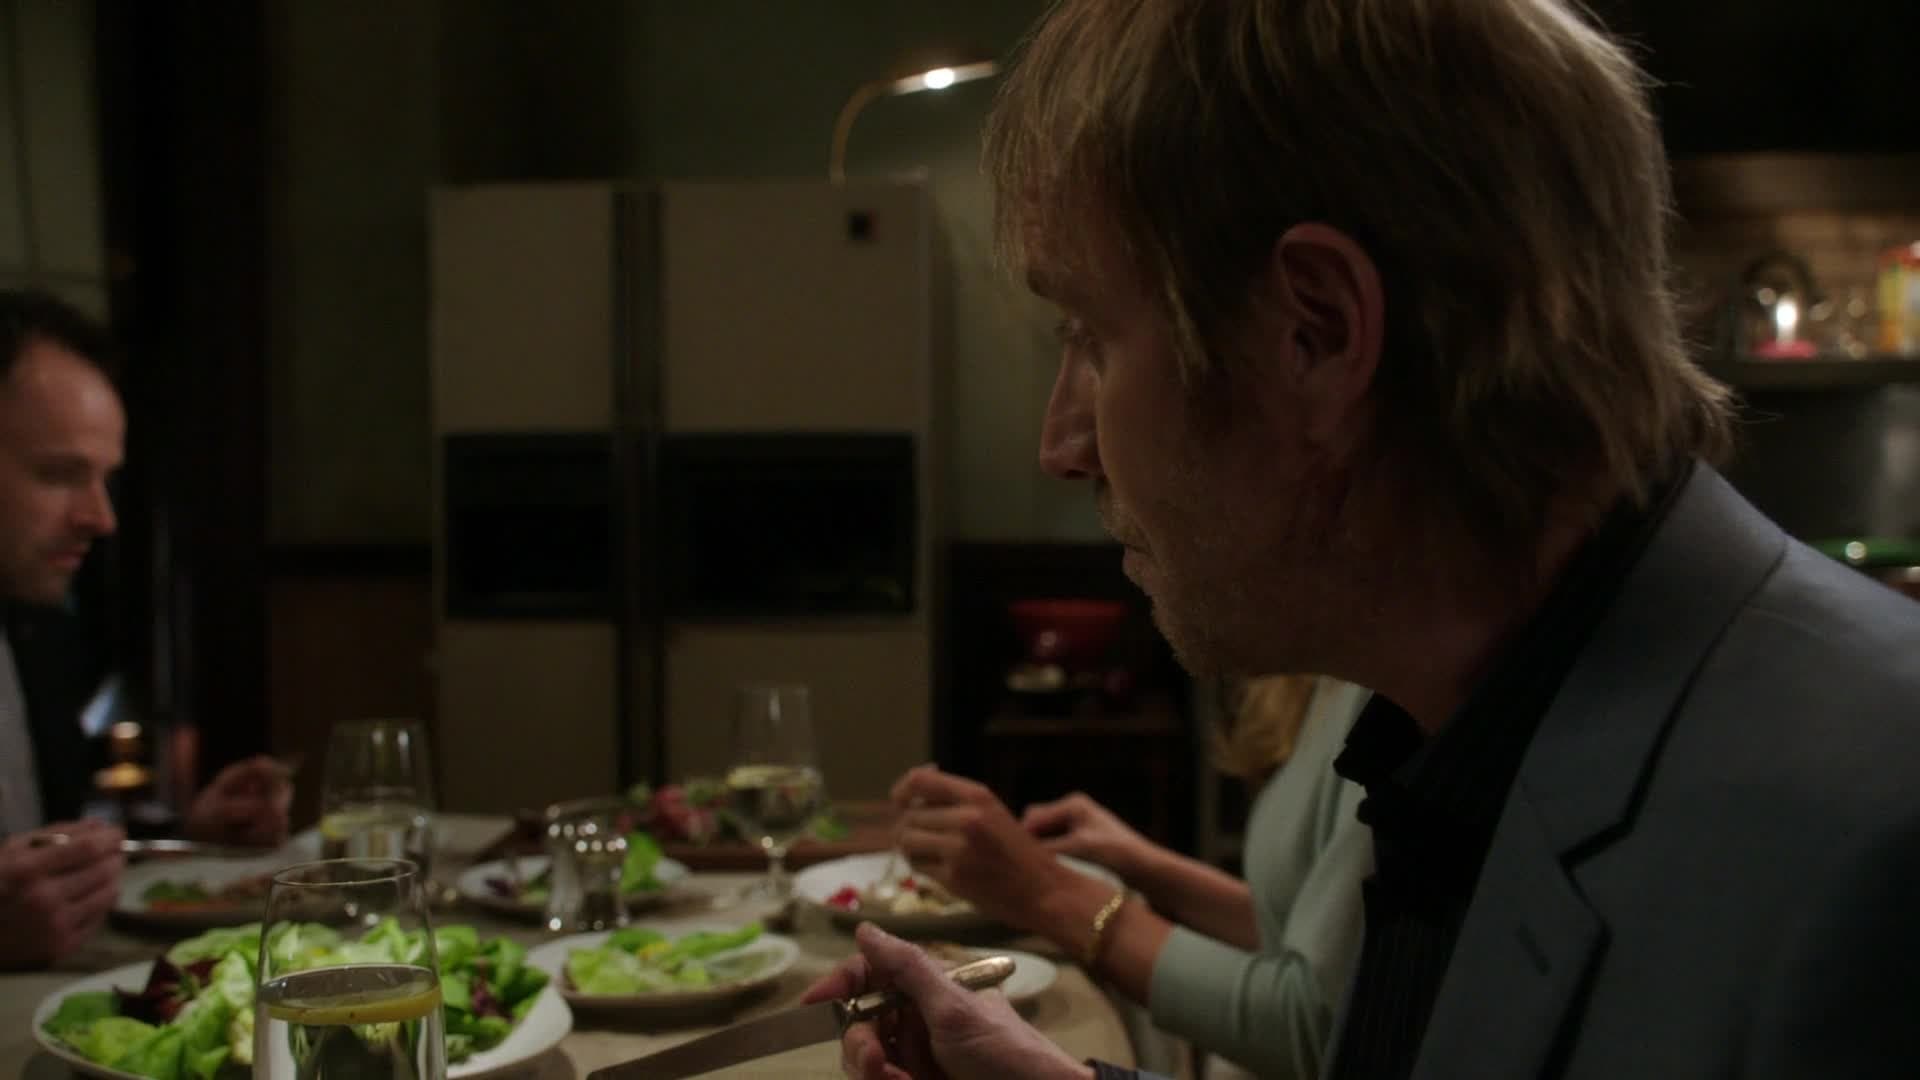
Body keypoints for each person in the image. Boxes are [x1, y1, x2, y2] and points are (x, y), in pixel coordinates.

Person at [805, 1, 1920, 1078]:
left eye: (1094, 338)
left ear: (1319, 331)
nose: (1062, 445)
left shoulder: (1872, 851)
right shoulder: (1467, 725)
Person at [0, 288, 292, 969]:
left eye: (104, 480)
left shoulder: (32, 636)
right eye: (60, 475)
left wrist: (186, 842)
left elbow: (28, 861)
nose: (100, 519)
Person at [887, 674, 1368, 1078]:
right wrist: (1143, 864)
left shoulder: (1380, 699)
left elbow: (1322, 1031)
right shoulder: (1322, 682)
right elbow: (1304, 930)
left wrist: (1051, 893)